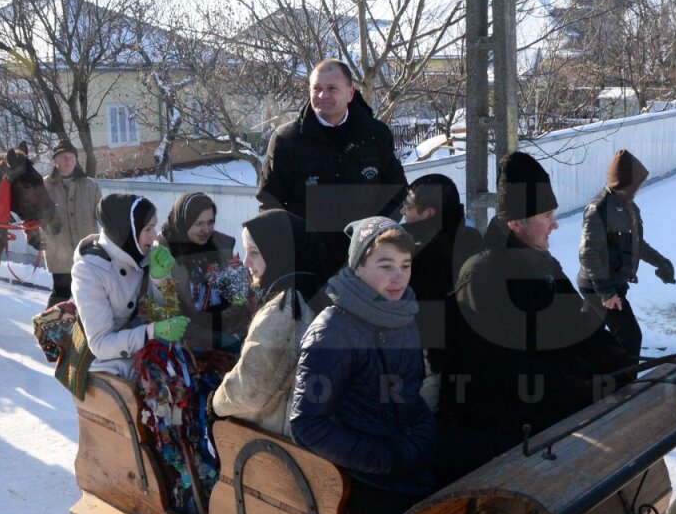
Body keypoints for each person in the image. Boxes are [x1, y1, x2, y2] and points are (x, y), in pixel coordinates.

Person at [442, 152, 628, 456]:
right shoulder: (481, 275)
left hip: (552, 406)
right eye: (546, 216)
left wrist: (615, 356)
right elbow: (500, 366)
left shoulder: (543, 263)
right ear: (516, 222)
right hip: (502, 427)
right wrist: (578, 387)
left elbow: (577, 321)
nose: (554, 225)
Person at [290, 217, 436, 514]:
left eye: (405, 264)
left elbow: (411, 393)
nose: (399, 276)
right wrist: (384, 457)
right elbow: (307, 424)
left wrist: (424, 435)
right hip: (361, 479)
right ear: (358, 267)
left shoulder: (402, 315)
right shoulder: (333, 332)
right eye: (386, 265)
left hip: (407, 460)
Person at [256, 59, 408, 274]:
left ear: (350, 94)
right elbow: (269, 201)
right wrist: (291, 247)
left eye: (332, 89)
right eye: (316, 88)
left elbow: (397, 191)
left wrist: (375, 236)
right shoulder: (287, 140)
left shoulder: (375, 135)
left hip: (365, 260)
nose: (322, 96)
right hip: (307, 263)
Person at [209, 210, 329, 437]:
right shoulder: (310, 290)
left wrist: (215, 404)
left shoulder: (285, 308)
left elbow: (249, 388)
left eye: (254, 252)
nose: (246, 262)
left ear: (278, 252)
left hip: (272, 436)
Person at [71, 193, 187, 380]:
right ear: (126, 232)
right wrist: (152, 331)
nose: (155, 235)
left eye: (154, 227)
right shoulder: (89, 271)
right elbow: (100, 344)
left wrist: (160, 278)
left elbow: (165, 312)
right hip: (105, 362)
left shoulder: (142, 254)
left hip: (145, 349)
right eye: (148, 228)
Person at [577, 150, 676, 361]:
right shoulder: (599, 209)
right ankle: (626, 389)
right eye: (637, 182)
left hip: (614, 283)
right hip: (599, 285)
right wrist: (606, 292)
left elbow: (637, 244)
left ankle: (587, 379)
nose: (640, 187)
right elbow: (588, 253)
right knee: (630, 338)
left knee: (588, 337)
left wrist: (661, 262)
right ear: (626, 182)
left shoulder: (628, 206)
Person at [399, 173, 483, 407]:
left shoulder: (410, 252)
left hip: (430, 364)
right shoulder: (472, 237)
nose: (403, 213)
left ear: (428, 213)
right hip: (474, 356)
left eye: (408, 206)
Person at [157, 192, 251, 354]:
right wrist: (215, 339)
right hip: (184, 347)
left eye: (210, 222)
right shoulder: (163, 255)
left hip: (226, 336)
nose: (205, 230)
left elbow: (238, 297)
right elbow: (167, 315)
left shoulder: (219, 248)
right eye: (198, 223)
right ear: (183, 222)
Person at [42, 140, 102, 308]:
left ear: (76, 159)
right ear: (55, 161)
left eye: (71, 156)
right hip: (59, 253)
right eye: (62, 157)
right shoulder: (44, 186)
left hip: (87, 254)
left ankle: (84, 330)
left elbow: (103, 217)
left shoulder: (91, 186)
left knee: (87, 295)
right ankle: (51, 331)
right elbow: (33, 217)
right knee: (60, 295)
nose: (67, 160)